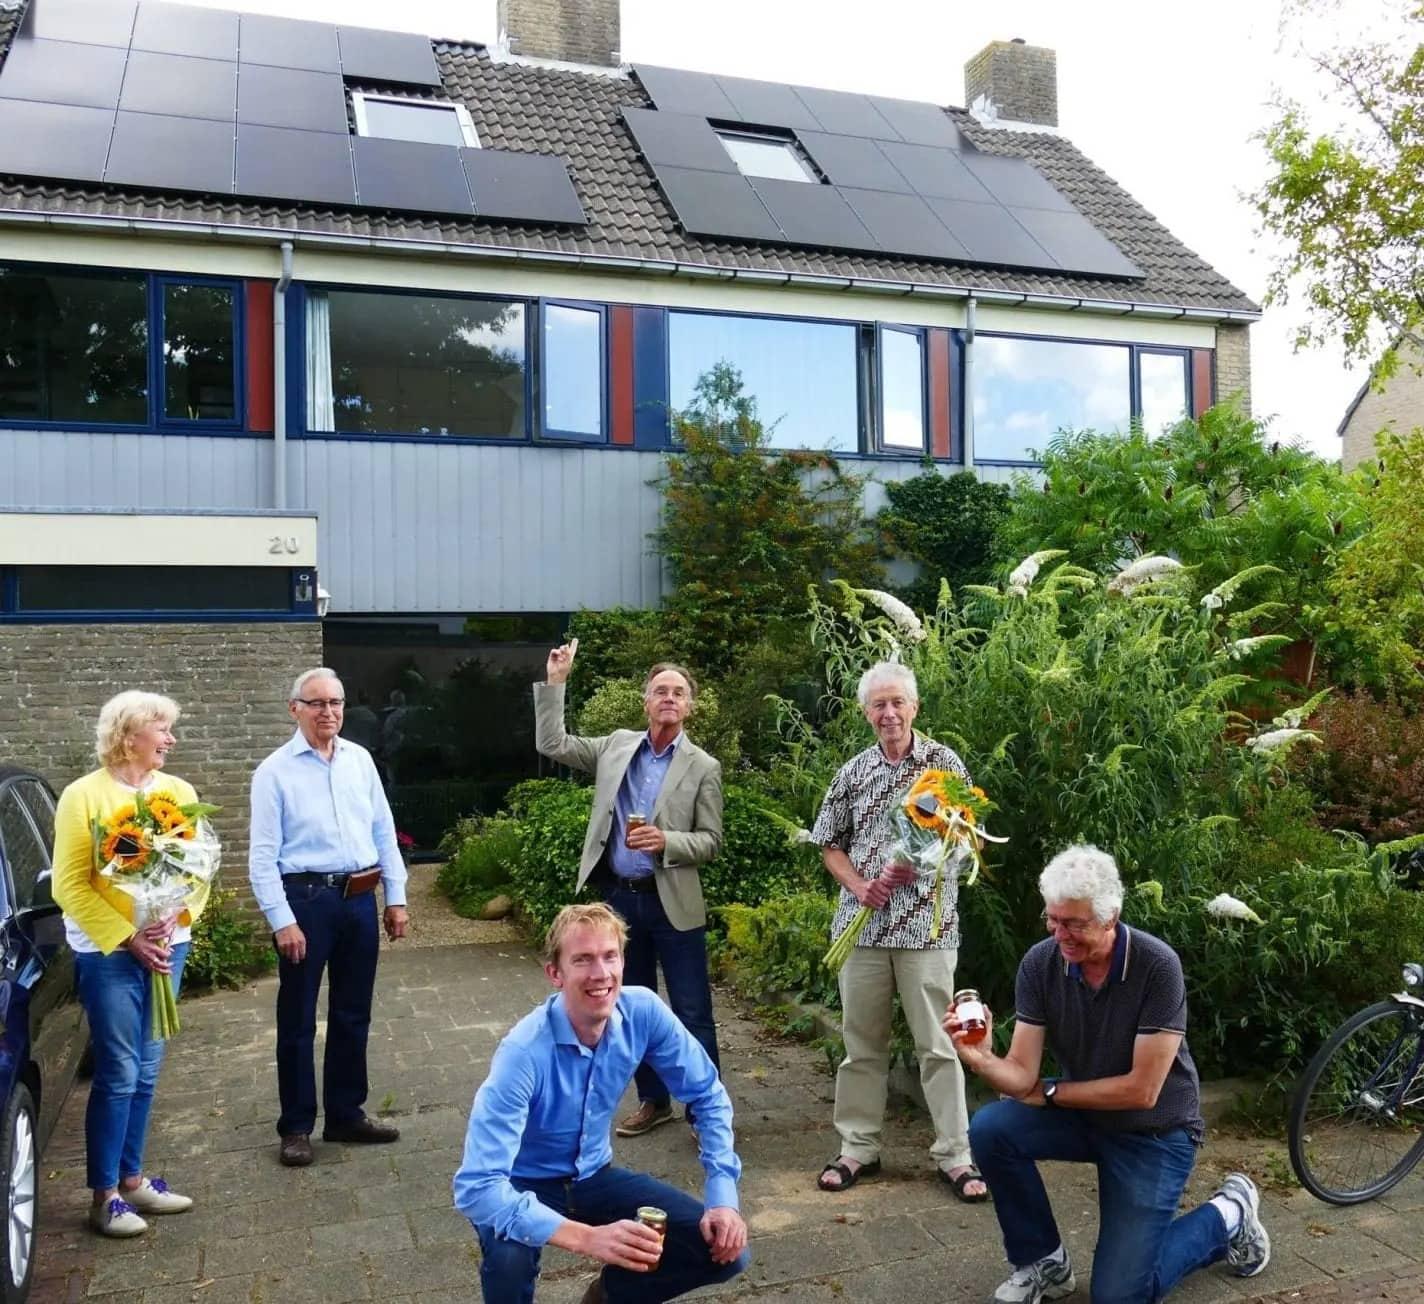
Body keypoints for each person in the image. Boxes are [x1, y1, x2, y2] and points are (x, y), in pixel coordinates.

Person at [945, 845, 1270, 1304]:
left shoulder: (1157, 966)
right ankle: (1043, 1263)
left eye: (1075, 924)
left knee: (1119, 1296)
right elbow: (1021, 1076)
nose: (1061, 935)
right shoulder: (1040, 963)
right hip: (1086, 1116)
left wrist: (1051, 1092)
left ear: (1111, 917)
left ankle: (1227, 1215)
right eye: (1053, 921)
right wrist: (978, 1058)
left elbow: (1142, 1090)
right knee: (992, 1128)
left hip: (1155, 1131)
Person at [453, 902, 750, 1303]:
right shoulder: (523, 1053)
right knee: (509, 1258)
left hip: (593, 1177)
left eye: (610, 956)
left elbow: (707, 1094)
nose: (601, 973)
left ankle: (607, 1297)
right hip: (521, 1182)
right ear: (555, 974)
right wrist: (589, 1239)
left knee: (726, 1252)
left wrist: (722, 1199)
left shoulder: (642, 1010)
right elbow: (478, 1187)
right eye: (583, 960)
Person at [809, 660, 987, 1201]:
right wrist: (859, 886)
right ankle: (857, 1147)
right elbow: (828, 842)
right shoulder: (853, 771)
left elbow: (968, 845)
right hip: (862, 929)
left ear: (914, 707)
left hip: (927, 933)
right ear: (867, 713)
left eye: (897, 703)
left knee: (938, 1046)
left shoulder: (945, 766)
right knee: (861, 1046)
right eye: (878, 705)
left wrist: (923, 862)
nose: (889, 713)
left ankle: (956, 1155)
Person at [535, 642, 724, 1138]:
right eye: (660, 690)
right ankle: (652, 1100)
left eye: (678, 692)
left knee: (691, 1011)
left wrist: (667, 841)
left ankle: (707, 1111)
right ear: (645, 701)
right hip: (618, 901)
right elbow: (553, 744)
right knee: (630, 1006)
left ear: (688, 706)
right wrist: (557, 682)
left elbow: (711, 840)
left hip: (673, 903)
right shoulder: (617, 746)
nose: (668, 698)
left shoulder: (703, 766)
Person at [53, 691, 212, 1236]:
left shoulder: (178, 792)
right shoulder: (84, 796)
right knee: (119, 1071)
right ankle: (103, 1196)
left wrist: (177, 916)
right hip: (108, 954)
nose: (171, 739)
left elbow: (198, 871)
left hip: (170, 944)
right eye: (161, 729)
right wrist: (128, 936)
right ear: (128, 735)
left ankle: (133, 1180)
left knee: (147, 1069)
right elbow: (69, 883)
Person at [249, 667, 409, 1168]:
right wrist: (281, 919)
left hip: (359, 899)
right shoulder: (274, 772)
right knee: (297, 1018)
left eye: (336, 702)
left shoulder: (360, 761)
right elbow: (261, 856)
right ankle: (296, 1126)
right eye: (317, 703)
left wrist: (396, 897)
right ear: (294, 708)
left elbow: (384, 830)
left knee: (352, 1011)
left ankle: (345, 1113)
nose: (329, 712)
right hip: (306, 903)